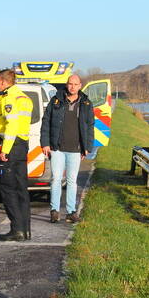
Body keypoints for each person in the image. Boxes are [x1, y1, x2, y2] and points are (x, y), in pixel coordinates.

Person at [41, 73, 95, 223]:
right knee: (56, 179)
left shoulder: (86, 103)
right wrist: (45, 143)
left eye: (75, 84)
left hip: (76, 149)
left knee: (72, 181)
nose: (72, 87)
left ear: (80, 86)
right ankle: (54, 210)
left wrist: (87, 147)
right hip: (57, 148)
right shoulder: (56, 100)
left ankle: (71, 212)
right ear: (67, 84)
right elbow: (46, 122)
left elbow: (90, 126)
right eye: (70, 84)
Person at [0, 69, 33, 241]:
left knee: (7, 189)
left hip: (11, 146)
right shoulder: (24, 97)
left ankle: (16, 229)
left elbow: (12, 125)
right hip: (22, 145)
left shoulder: (9, 98)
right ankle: (25, 229)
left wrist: (5, 150)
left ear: (3, 82)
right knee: (21, 188)